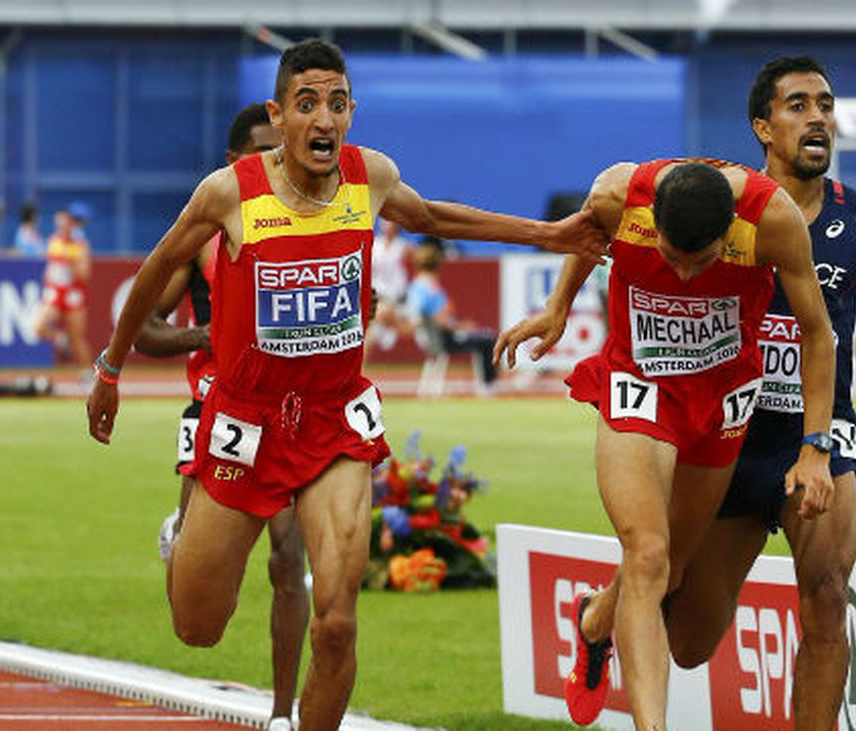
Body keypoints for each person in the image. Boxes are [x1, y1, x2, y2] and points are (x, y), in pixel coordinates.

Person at [87, 38, 607, 731]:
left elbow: (434, 218)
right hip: (244, 421)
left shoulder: (371, 177)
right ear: (279, 114)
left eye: (336, 103)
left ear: (350, 112)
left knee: (335, 623)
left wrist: (549, 234)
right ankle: (180, 539)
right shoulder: (229, 193)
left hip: (334, 420)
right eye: (307, 104)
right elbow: (155, 270)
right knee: (197, 625)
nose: (323, 118)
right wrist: (110, 369)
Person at [494, 159, 835, 729]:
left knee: (671, 570)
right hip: (640, 384)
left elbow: (816, 332)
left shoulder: (771, 219)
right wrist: (557, 308)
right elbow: (587, 239)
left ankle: (595, 621)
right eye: (672, 256)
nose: (683, 274)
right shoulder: (616, 195)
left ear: (728, 232)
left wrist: (815, 446)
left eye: (701, 260)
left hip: (723, 397)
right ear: (654, 220)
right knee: (647, 554)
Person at [650, 57, 856, 731]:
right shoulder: (722, 206)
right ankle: (613, 607)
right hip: (728, 439)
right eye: (798, 105)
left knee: (826, 597)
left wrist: (817, 444)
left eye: (825, 105)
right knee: (689, 643)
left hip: (820, 434)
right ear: (763, 126)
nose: (818, 118)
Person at [134, 102, 305, 731]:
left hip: (287, 415)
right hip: (214, 410)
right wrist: (204, 336)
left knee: (289, 559)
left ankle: (283, 714)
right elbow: (145, 328)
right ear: (235, 160)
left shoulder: (311, 223)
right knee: (196, 620)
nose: (277, 159)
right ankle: (180, 539)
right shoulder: (205, 232)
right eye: (264, 149)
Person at [406, 236, 497, 394]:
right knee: (488, 340)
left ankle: (488, 385)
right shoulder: (429, 288)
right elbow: (437, 319)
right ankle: (489, 387)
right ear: (438, 264)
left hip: (430, 338)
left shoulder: (416, 286)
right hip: (443, 339)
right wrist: (459, 327)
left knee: (484, 337)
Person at [33, 201, 93, 371]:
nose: (61, 226)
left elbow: (84, 275)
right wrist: (48, 282)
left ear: (71, 224)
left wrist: (71, 261)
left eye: (64, 222)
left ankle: (87, 374)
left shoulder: (80, 245)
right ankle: (60, 338)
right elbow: (50, 266)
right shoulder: (53, 241)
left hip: (74, 295)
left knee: (77, 339)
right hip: (55, 292)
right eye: (58, 223)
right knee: (38, 326)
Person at [363, 218, 411, 359]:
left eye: (391, 223)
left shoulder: (403, 247)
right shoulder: (374, 244)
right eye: (385, 223)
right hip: (379, 297)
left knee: (377, 324)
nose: (388, 226)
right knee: (371, 328)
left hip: (398, 300)